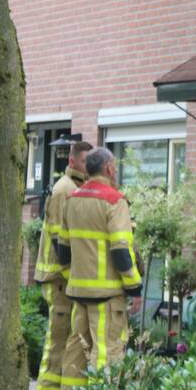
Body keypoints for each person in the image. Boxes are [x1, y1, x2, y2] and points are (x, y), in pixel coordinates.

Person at [57, 147, 143, 375]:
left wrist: (72, 278)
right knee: (107, 352)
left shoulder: (71, 199)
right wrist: (134, 287)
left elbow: (62, 249)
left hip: (78, 292)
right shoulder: (114, 201)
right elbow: (121, 251)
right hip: (107, 295)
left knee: (76, 351)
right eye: (115, 165)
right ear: (109, 168)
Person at [33, 140, 92, 390]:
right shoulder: (64, 190)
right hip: (59, 279)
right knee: (57, 341)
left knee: (68, 340)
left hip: (66, 280)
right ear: (72, 161)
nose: (88, 166)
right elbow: (60, 241)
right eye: (84, 161)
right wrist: (72, 275)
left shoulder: (77, 188)